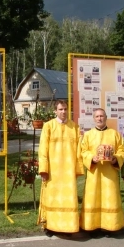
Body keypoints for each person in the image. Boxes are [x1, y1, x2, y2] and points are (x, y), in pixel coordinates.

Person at [37, 100, 84, 237]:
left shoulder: (74, 127)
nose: (63, 112)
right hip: (53, 170)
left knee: (68, 198)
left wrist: (77, 168)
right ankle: (50, 227)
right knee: (52, 197)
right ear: (55, 111)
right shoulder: (48, 126)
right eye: (60, 109)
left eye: (65, 109)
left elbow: (78, 150)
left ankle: (68, 227)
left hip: (68, 171)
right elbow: (42, 149)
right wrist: (44, 169)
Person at [80, 108, 124, 237]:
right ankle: (92, 226)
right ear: (94, 118)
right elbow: (83, 151)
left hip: (109, 173)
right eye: (97, 116)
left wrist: (115, 159)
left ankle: (110, 226)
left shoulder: (115, 134)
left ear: (106, 118)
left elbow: (121, 150)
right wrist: (91, 158)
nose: (99, 118)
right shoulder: (88, 135)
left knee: (110, 198)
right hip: (94, 173)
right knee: (92, 198)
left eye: (102, 116)